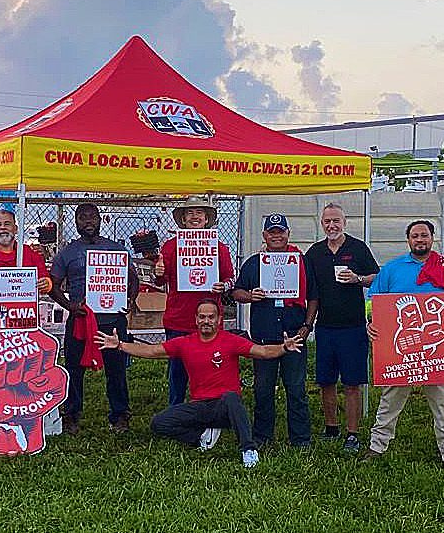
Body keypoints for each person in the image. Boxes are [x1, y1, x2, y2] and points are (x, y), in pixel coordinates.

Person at [95, 299, 303, 468]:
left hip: (225, 405)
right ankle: (202, 438)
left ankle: (248, 449)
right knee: (159, 423)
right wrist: (120, 345)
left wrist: (283, 348)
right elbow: (152, 351)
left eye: (211, 317)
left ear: (219, 319)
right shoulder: (185, 343)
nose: (206, 321)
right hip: (199, 405)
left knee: (232, 397)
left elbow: (263, 352)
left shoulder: (230, 340)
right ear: (195, 320)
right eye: (202, 317)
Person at [362, 219, 444, 469]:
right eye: (415, 236)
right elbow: (373, 302)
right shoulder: (392, 270)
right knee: (390, 401)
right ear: (408, 240)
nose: (420, 240)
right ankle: (376, 447)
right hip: (400, 356)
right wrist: (372, 321)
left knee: (443, 404)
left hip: (439, 355)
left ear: (432, 238)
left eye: (424, 235)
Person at [49, 203, 138, 434]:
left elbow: (133, 278)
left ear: (100, 220)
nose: (88, 221)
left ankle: (120, 415)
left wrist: (130, 299)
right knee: (74, 369)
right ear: (75, 222)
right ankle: (71, 414)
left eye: (92, 217)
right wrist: (69, 305)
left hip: (112, 321)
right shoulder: (66, 253)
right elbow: (53, 286)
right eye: (82, 218)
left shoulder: (116, 248)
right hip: (81, 320)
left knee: (116, 370)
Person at [302, 202, 380, 453]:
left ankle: (353, 433)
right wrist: (309, 324)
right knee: (326, 381)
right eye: (327, 221)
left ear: (345, 222)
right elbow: (310, 291)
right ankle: (331, 427)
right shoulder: (314, 253)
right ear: (321, 224)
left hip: (354, 326)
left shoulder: (357, 248)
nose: (332, 225)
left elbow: (377, 277)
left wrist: (358, 278)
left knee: (352, 383)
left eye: (336, 221)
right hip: (325, 328)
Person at [232, 213, 311, 449]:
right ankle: (262, 436)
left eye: (281, 232)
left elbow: (314, 296)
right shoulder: (254, 263)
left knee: (296, 388)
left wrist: (307, 325)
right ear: (265, 235)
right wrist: (250, 295)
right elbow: (236, 291)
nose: (276, 236)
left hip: (294, 333)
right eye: (272, 232)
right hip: (264, 335)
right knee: (263, 388)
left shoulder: (301, 261)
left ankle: (300, 438)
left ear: (288, 234)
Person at [153, 196, 235, 406]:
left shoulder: (220, 248)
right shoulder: (170, 247)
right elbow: (161, 279)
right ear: (183, 219)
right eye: (190, 213)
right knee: (177, 372)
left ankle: (211, 412)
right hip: (178, 319)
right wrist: (159, 271)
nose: (195, 217)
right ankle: (176, 411)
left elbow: (230, 278)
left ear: (207, 219)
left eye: (199, 212)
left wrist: (223, 286)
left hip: (209, 320)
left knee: (211, 371)